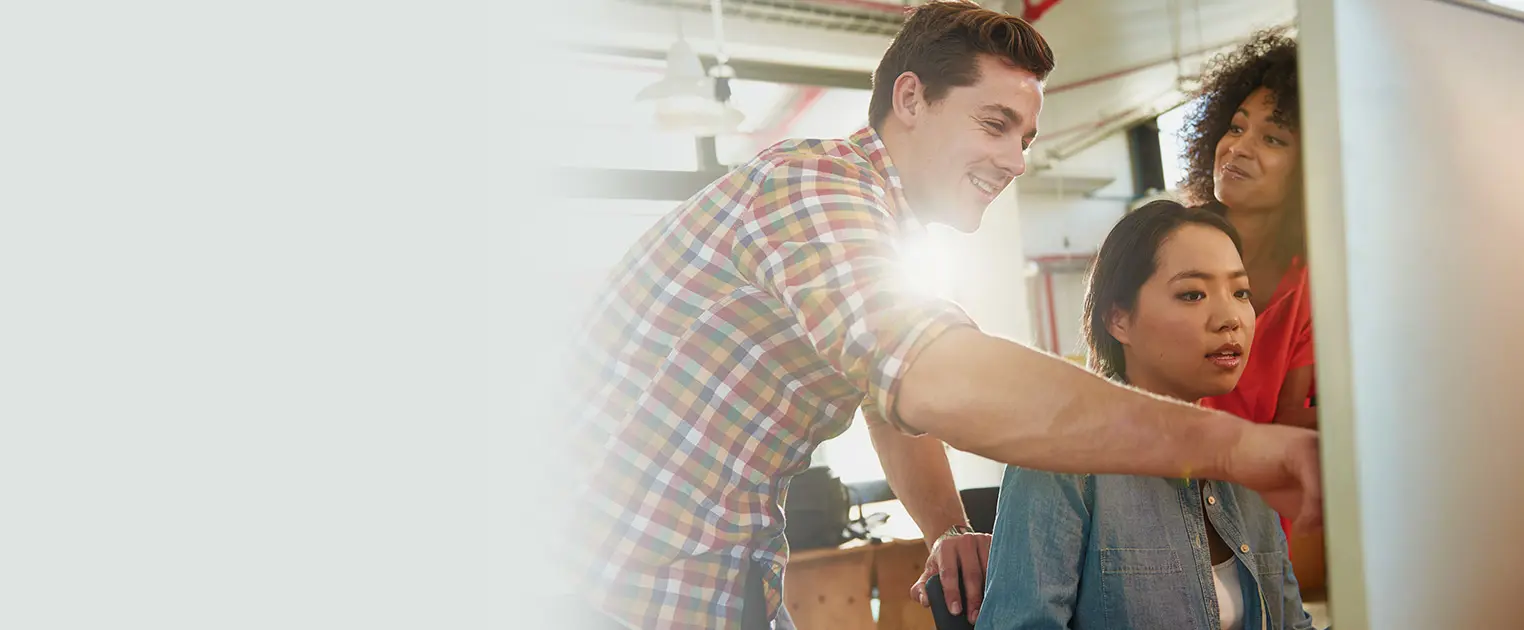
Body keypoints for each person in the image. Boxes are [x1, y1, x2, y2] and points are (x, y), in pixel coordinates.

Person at [558, 3, 1321, 628]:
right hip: (615, 580)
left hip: (730, 575)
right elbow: (931, 375)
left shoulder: (882, 241)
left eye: (1025, 138)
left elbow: (891, 397)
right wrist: (1231, 447)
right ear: (911, 98)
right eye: (993, 125)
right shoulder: (809, 190)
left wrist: (948, 527)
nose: (1017, 160)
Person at [975, 201, 1317, 629]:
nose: (1231, 318)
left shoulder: (1246, 463)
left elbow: (1291, 623)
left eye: (1240, 292)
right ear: (1118, 318)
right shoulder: (1061, 460)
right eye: (1192, 294)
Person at [1180, 30, 1317, 432]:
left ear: (1313, 164)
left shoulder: (1307, 281)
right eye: (1237, 128)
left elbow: (1288, 419)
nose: (1238, 148)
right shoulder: (1170, 245)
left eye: (1272, 138)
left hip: (1253, 483)